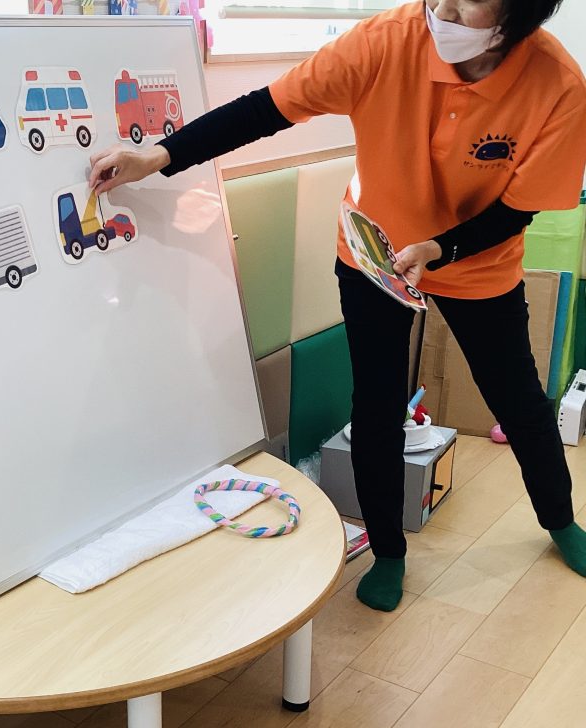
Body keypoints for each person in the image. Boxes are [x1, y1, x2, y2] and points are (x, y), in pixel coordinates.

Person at [89, 0, 586, 611]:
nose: (444, 14)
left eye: (467, 7)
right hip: (376, 254)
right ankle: (388, 553)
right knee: (377, 404)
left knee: (520, 401)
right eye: (439, 0)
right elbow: (264, 110)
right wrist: (160, 156)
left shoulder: (557, 86)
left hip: (478, 263)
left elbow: (517, 210)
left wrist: (440, 248)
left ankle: (559, 519)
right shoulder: (383, 43)